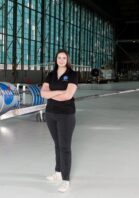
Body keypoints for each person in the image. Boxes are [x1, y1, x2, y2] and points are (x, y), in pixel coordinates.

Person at [40, 49, 78, 193]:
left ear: (67, 59)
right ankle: (57, 173)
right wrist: (58, 92)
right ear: (56, 59)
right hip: (50, 114)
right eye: (59, 57)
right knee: (57, 144)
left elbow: (68, 96)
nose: (61, 60)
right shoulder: (50, 75)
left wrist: (51, 94)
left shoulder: (72, 75)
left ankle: (66, 180)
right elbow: (43, 93)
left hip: (66, 115)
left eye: (64, 57)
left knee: (65, 147)